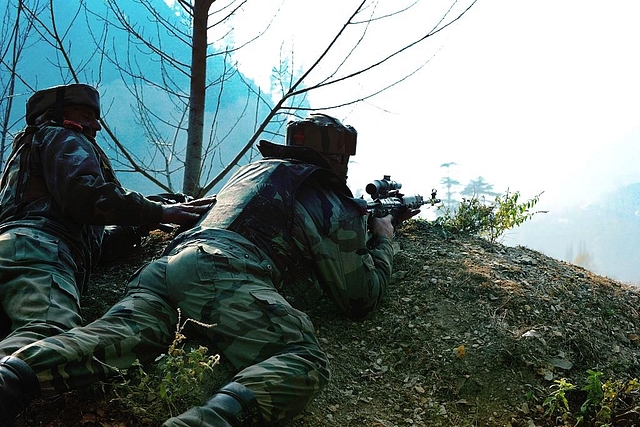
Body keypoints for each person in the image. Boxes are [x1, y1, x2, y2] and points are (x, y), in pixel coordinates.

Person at [0, 113, 419, 426]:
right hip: (224, 272)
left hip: (166, 268)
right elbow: (360, 297)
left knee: (117, 339)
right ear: (336, 159)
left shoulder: (251, 174)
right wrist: (383, 240)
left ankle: (13, 376)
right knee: (301, 359)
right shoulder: (326, 197)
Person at [0, 83, 209, 358]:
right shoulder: (62, 136)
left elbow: (96, 243)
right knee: (45, 336)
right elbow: (89, 196)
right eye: (87, 116)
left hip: (19, 250)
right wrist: (156, 212)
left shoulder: (28, 164)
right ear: (61, 115)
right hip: (39, 253)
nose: (96, 126)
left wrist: (140, 224)